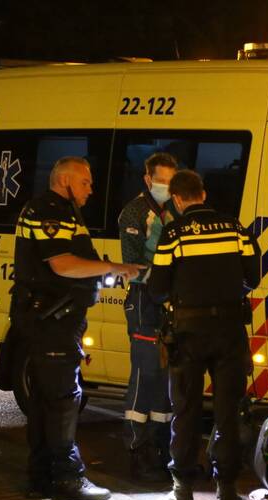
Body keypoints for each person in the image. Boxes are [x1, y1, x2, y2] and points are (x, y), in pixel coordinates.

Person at [11, 156, 142, 500]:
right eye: (85, 182)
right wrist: (114, 266)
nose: (91, 189)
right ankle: (68, 478)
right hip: (53, 320)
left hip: (49, 317)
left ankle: (41, 476)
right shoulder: (52, 211)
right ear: (65, 179)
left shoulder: (58, 209)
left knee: (44, 400)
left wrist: (103, 274)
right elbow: (64, 264)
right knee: (64, 400)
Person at [147, 170, 261, 500]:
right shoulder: (234, 227)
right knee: (228, 413)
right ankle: (227, 495)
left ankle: (182, 495)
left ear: (178, 200)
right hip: (229, 331)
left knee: (186, 410)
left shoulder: (173, 233)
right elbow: (253, 276)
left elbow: (157, 288)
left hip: (188, 333)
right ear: (203, 194)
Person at [117, 152, 178, 483]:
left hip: (168, 303)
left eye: (171, 182)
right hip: (143, 302)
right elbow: (134, 268)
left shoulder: (175, 212)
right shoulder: (135, 212)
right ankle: (136, 451)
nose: (166, 187)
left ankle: (161, 448)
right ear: (147, 180)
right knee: (144, 377)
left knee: (165, 381)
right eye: (161, 181)